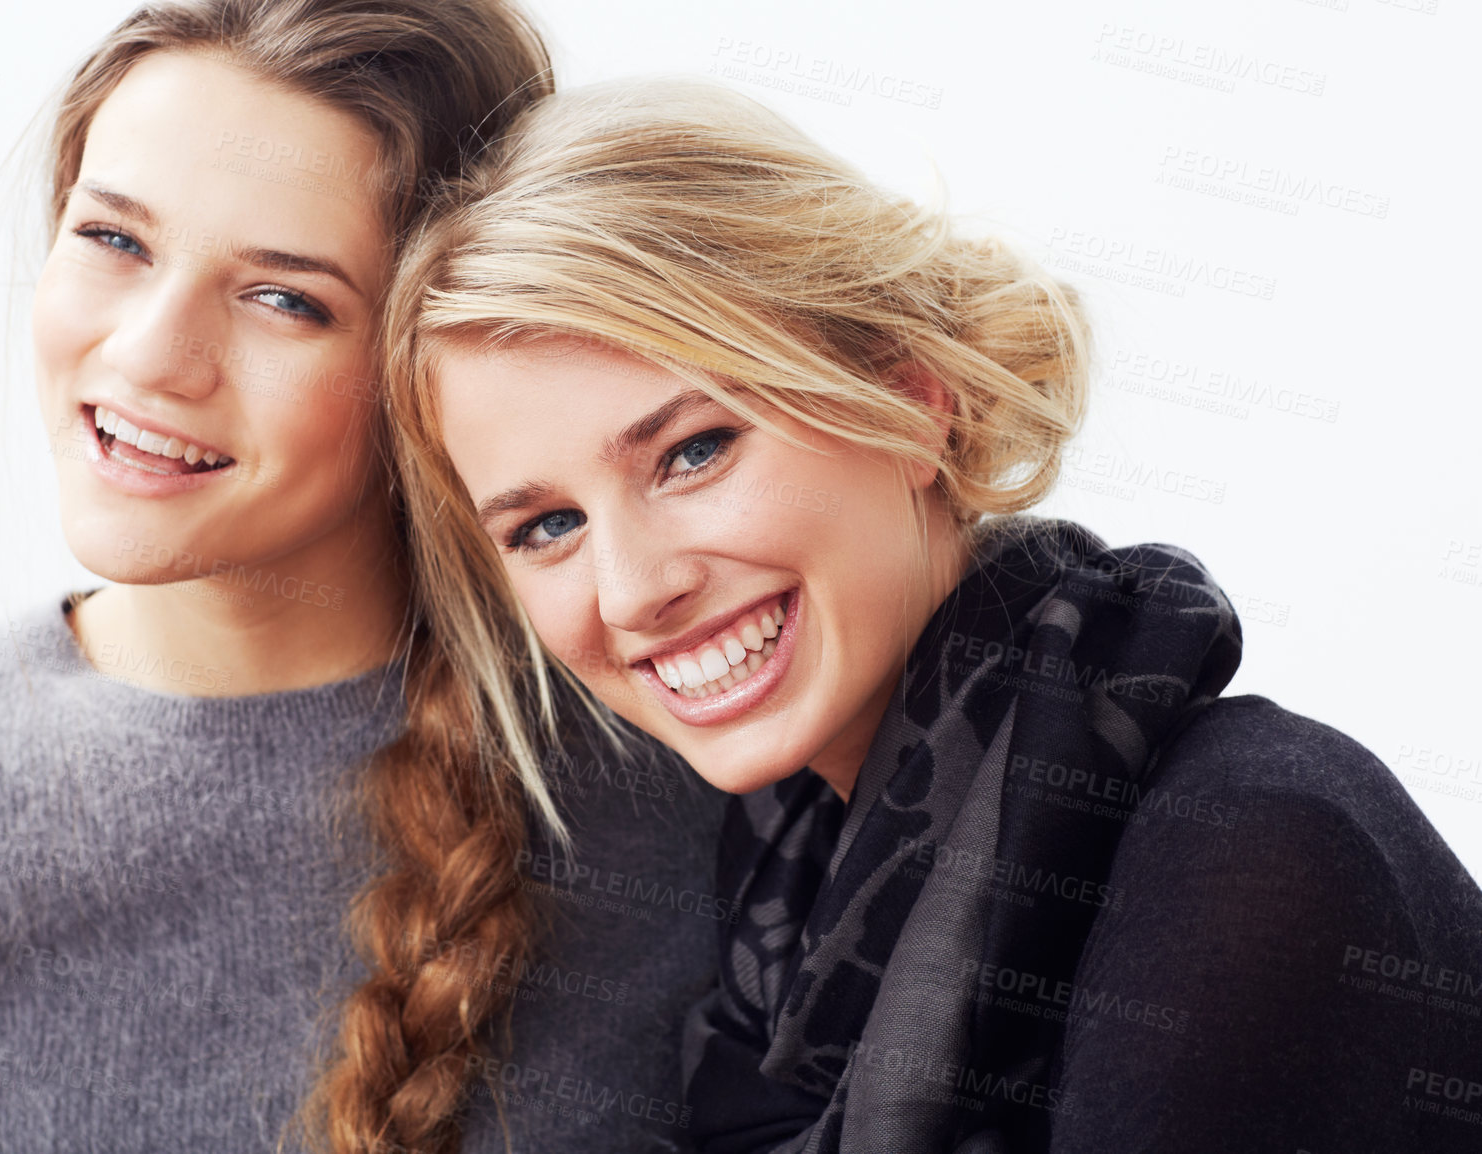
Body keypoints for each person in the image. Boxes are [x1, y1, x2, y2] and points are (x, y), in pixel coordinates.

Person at [380, 79, 1482, 1152]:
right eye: (545, 527)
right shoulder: (771, 933)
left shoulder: (1252, 861)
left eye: (693, 451)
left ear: (911, 399)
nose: (630, 589)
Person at [0, 8, 724, 1152]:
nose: (152, 352)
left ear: (433, 359)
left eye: (285, 297)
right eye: (113, 239)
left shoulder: (678, 758)